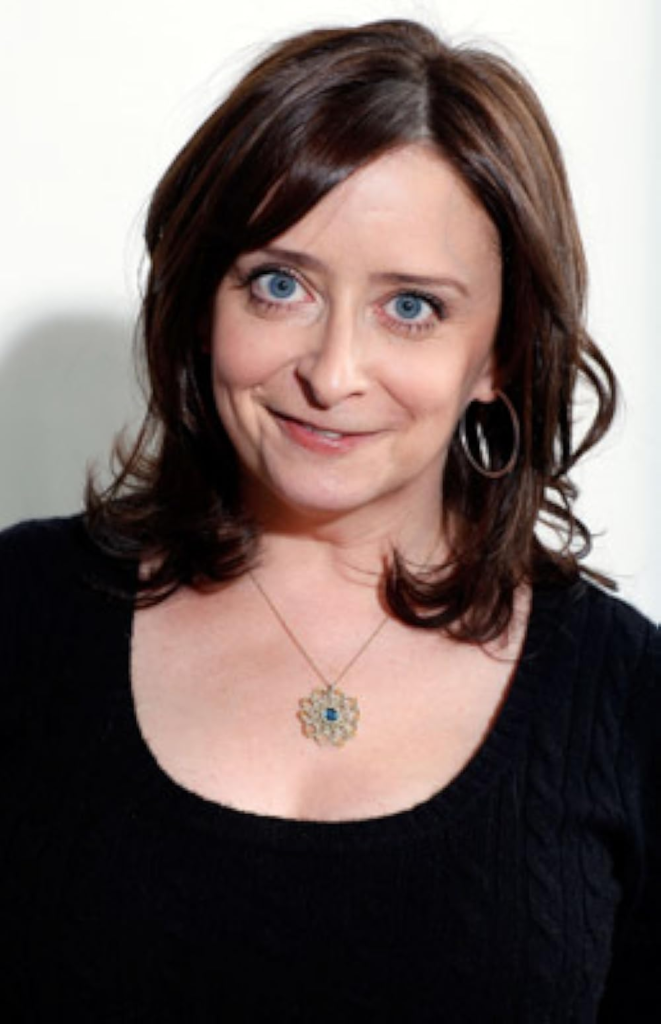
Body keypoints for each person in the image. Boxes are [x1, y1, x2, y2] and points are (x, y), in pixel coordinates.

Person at [0, 18, 658, 1022]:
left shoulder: (625, 698)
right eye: (279, 285)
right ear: (203, 301)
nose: (332, 372)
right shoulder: (21, 609)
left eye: (412, 307)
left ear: (500, 351)